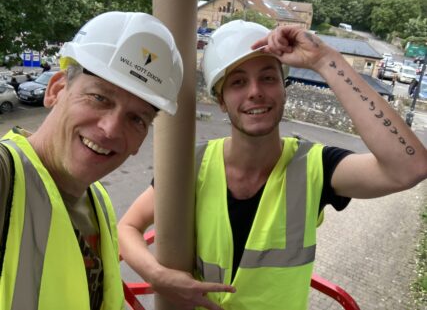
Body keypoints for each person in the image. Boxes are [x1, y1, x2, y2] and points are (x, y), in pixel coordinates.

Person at [118, 20, 427, 310]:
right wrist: (157, 275)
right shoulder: (193, 164)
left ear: (283, 90)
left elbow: (409, 167)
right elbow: (128, 227)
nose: (255, 91)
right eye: (238, 82)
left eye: (268, 78)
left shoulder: (316, 166)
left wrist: (323, 59)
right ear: (222, 100)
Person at [0, 11, 183, 310]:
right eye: (100, 98)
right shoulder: (6, 177)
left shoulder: (97, 200)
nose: (110, 129)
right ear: (56, 89)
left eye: (136, 119)